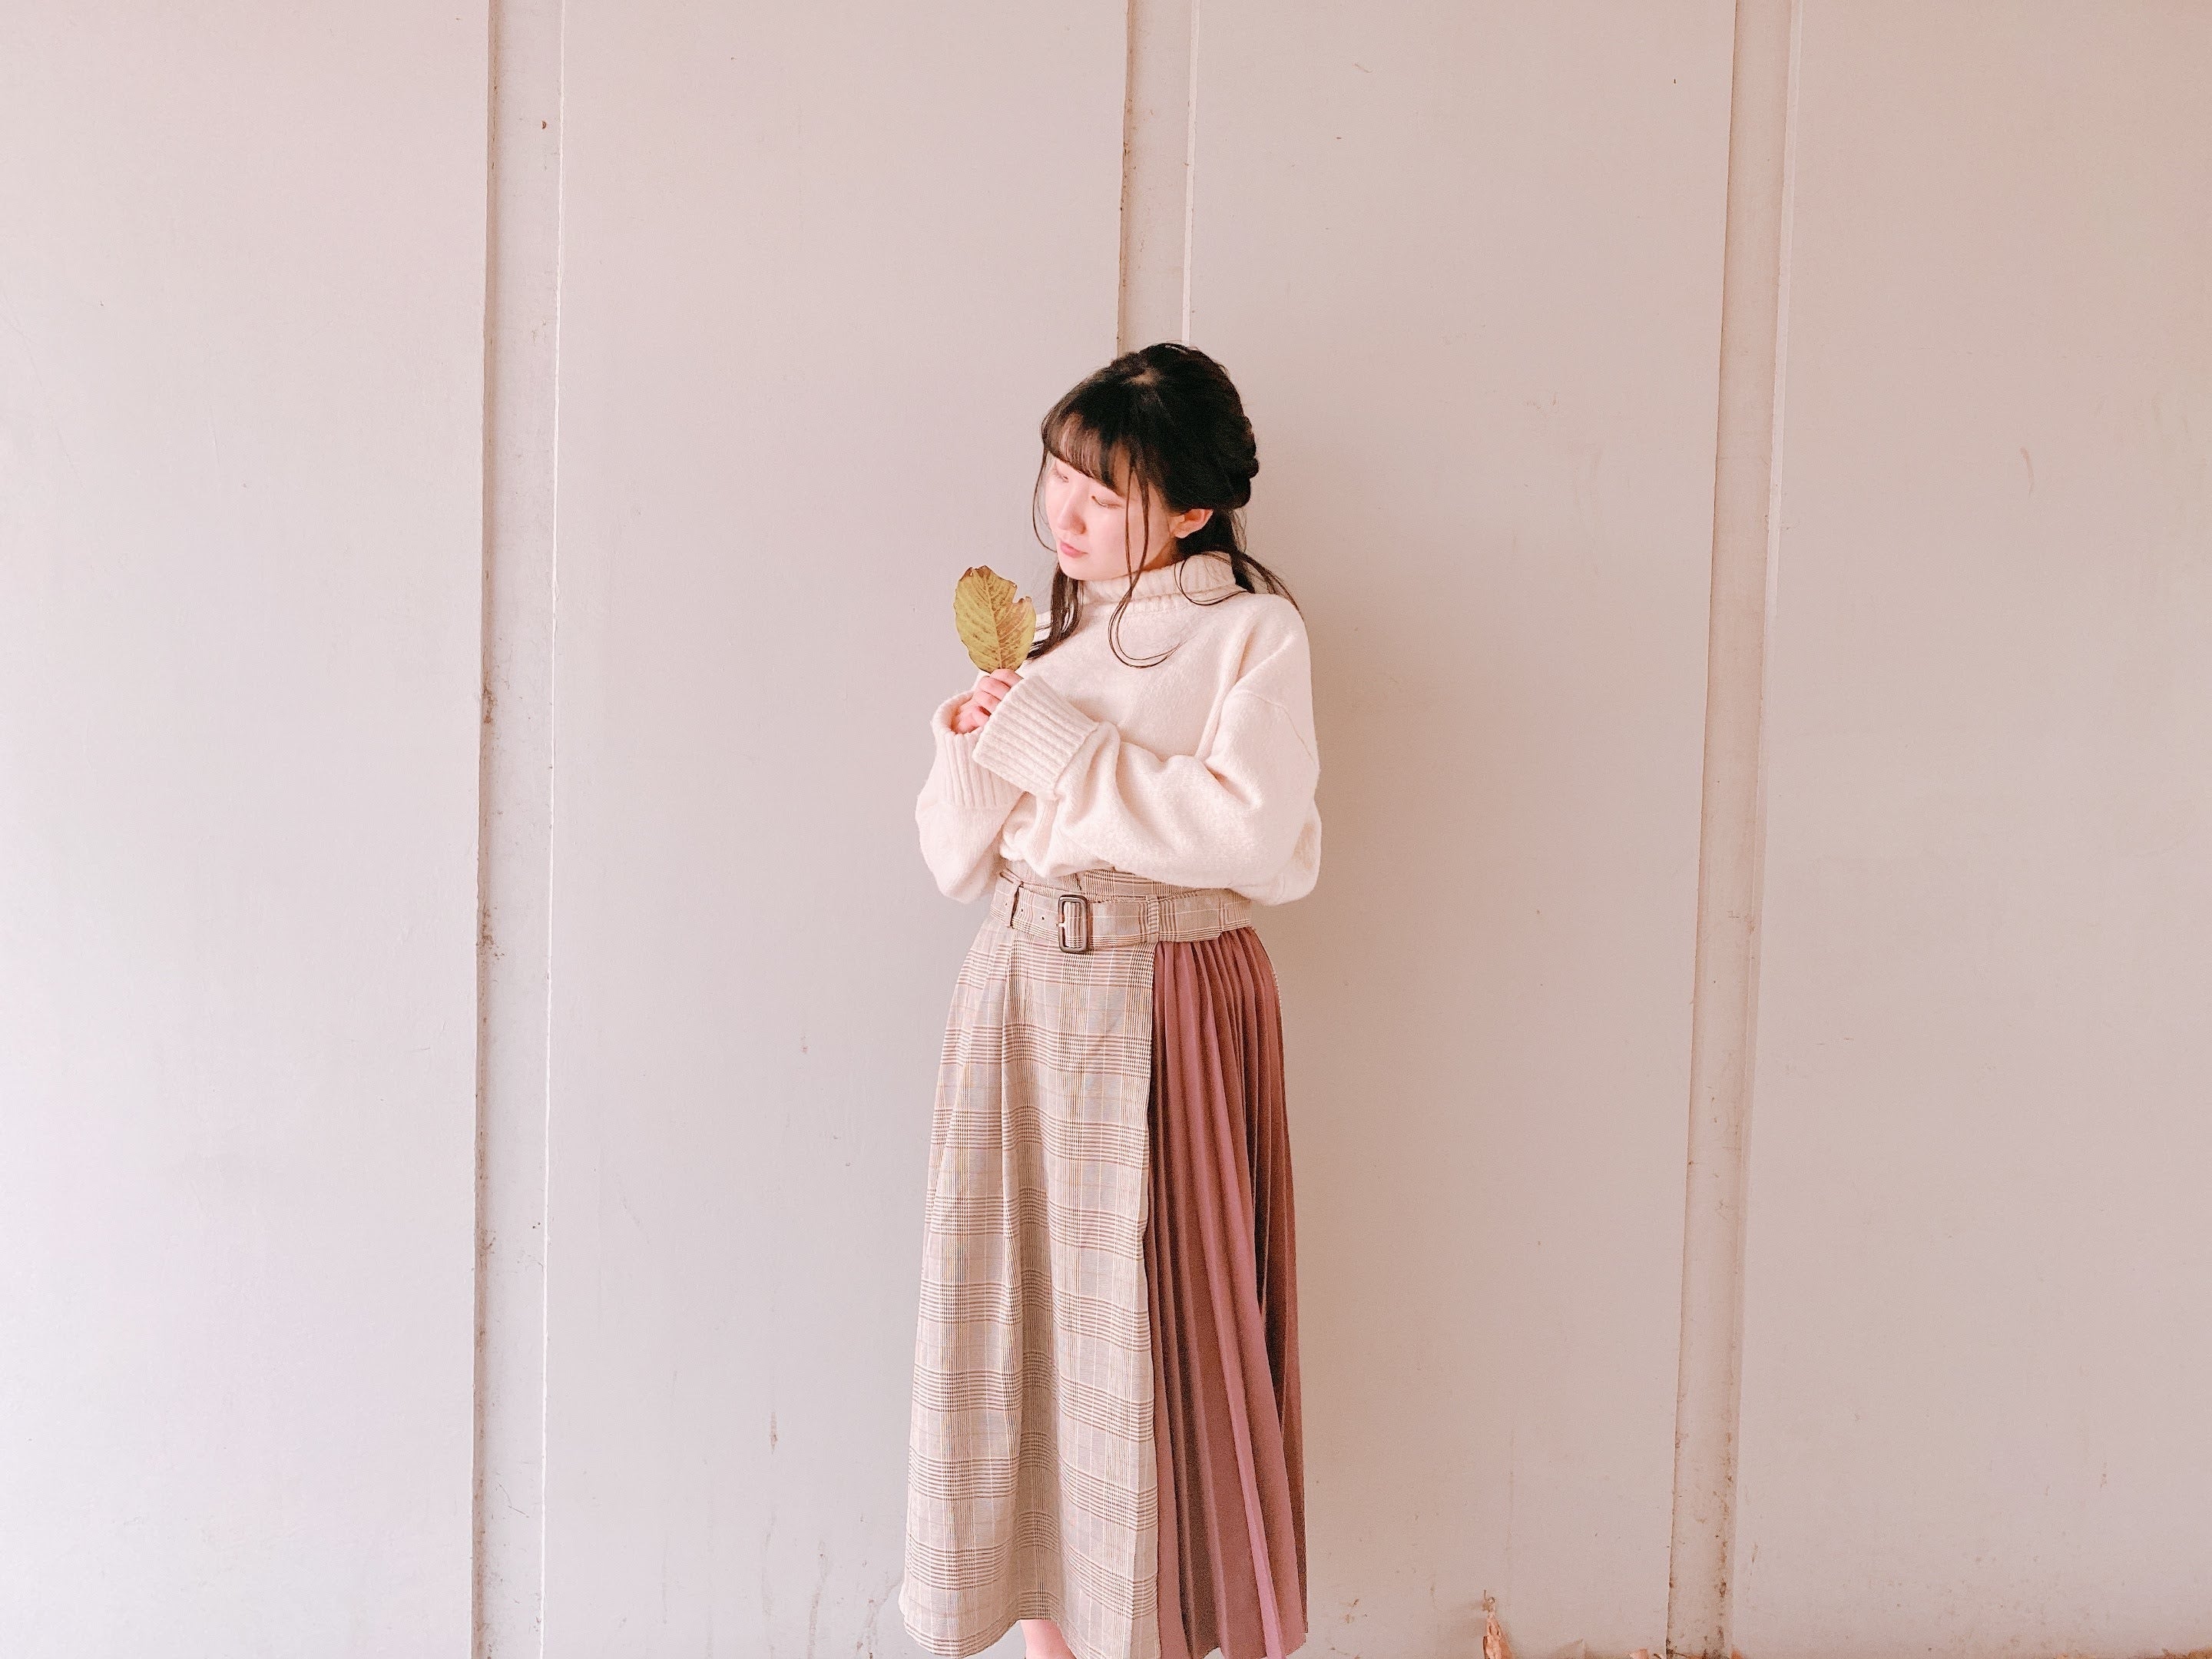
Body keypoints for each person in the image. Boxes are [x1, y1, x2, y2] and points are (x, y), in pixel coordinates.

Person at [902, 341, 1322, 1659]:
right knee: (1020, 1327)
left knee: (1154, 1338)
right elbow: (952, 860)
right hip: (1019, 994)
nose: (1065, 516)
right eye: (1058, 479)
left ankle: (1161, 1633)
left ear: (1193, 508)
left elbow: (1251, 837)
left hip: (1166, 997)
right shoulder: (1051, 640)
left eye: (1103, 493)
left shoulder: (1250, 634)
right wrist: (971, 742)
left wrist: (1055, 747)